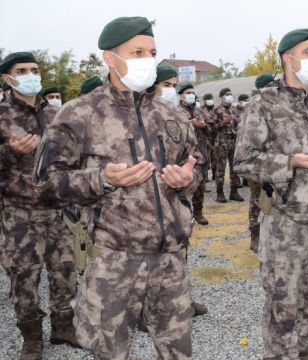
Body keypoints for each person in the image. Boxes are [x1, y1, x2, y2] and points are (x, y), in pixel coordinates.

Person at [33, 17, 206, 359]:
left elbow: (195, 162)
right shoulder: (79, 114)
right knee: (110, 351)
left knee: (179, 350)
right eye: (137, 52)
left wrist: (188, 179)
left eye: (152, 52)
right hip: (114, 259)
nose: (147, 59)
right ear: (110, 58)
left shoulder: (169, 114)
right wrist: (103, 179)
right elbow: (45, 183)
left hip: (170, 257)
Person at [233, 28, 308, 359]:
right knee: (282, 311)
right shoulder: (264, 104)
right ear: (289, 59)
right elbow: (243, 162)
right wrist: (289, 162)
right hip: (286, 225)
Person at [0, 51, 79, 359]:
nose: (32, 74)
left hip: (57, 209)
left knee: (65, 271)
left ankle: (63, 326)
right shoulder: (2, 115)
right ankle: (31, 338)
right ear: (8, 78)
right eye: (23, 70)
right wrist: (9, 153)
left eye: (35, 69)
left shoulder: (54, 115)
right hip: (20, 213)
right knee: (24, 276)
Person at [246, 73, 276, 253]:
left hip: (275, 161)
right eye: (272, 85)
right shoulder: (254, 107)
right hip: (258, 161)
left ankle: (269, 233)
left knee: (272, 198)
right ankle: (255, 236)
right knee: (257, 199)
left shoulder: (274, 106)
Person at [177, 82, 212, 225]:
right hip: (185, 157)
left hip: (202, 155)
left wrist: (204, 126)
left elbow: (210, 131)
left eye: (192, 93)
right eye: (187, 93)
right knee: (183, 187)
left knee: (200, 187)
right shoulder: (176, 111)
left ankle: (198, 212)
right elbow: (175, 131)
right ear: (180, 96)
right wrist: (190, 123)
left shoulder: (198, 111)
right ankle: (183, 215)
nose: (191, 95)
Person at [213, 87, 243, 202]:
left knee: (235, 168)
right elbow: (212, 129)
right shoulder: (217, 110)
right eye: (227, 94)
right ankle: (220, 194)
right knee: (220, 168)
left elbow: (239, 125)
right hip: (222, 142)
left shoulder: (235, 110)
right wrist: (223, 123)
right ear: (221, 97)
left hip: (234, 141)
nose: (230, 95)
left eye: (230, 93)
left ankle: (234, 192)